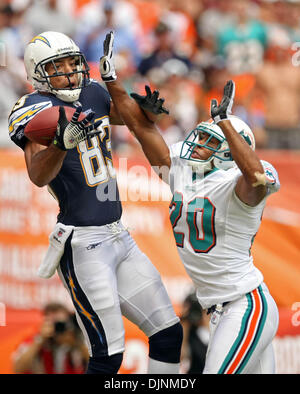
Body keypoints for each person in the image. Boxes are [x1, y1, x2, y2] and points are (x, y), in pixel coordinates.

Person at [100, 31, 280, 374]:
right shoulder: (182, 174)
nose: (197, 144)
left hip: (245, 303)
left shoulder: (240, 185)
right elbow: (142, 129)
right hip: (219, 309)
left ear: (230, 151)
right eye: (202, 136)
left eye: (211, 141)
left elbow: (256, 177)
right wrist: (112, 80)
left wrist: (225, 123)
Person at [8, 31, 182, 374]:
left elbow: (125, 116)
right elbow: (38, 175)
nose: (70, 73)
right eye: (58, 67)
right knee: (107, 358)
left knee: (168, 334)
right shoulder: (33, 109)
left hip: (120, 236)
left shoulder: (90, 92)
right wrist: (62, 141)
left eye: (72, 63)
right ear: (37, 72)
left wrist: (144, 112)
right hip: (83, 243)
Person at [13, 303, 89, 374]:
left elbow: (96, 363)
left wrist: (76, 342)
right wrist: (40, 339)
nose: (58, 328)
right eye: (54, 324)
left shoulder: (78, 339)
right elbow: (17, 369)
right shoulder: (35, 340)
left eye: (61, 324)